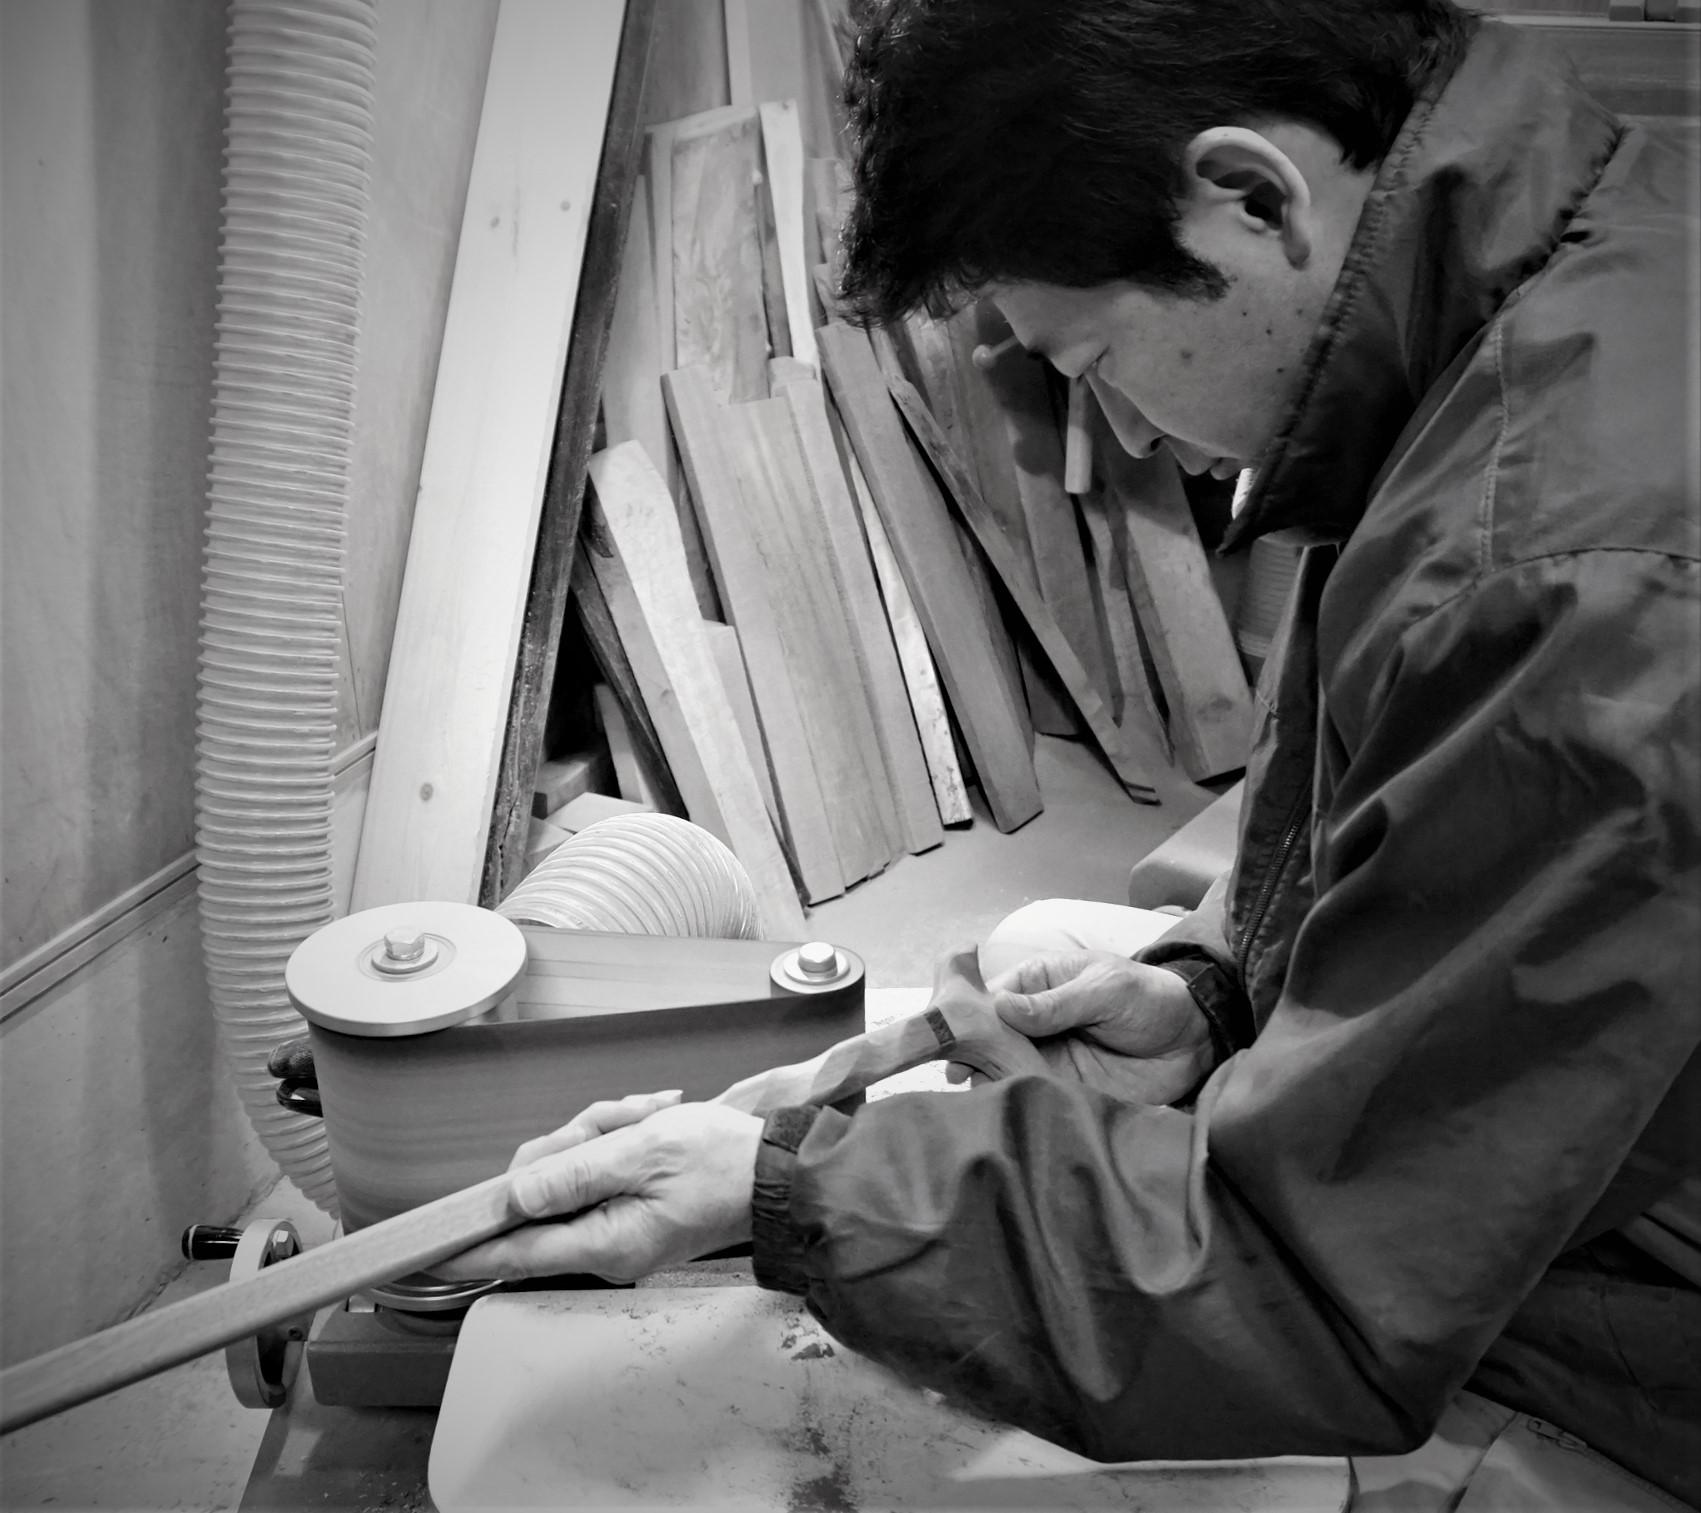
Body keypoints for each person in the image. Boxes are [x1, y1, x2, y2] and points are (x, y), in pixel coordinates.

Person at [441, 1, 1700, 1504]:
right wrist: (1216, 1003)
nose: (1117, 434)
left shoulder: (1565, 570)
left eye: (1090, 355)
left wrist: (787, 1196)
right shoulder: (1573, 268)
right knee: (1055, 954)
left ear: (1251, 197)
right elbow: (1451, 867)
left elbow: (1315, 1288)